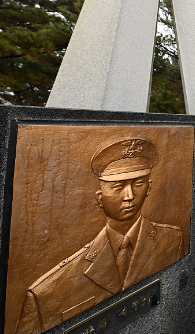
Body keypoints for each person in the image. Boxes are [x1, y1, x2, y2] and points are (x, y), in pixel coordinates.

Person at [15, 138, 184, 334]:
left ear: (150, 188)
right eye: (118, 187)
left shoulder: (172, 239)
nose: (129, 196)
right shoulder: (46, 293)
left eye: (138, 184)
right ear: (99, 198)